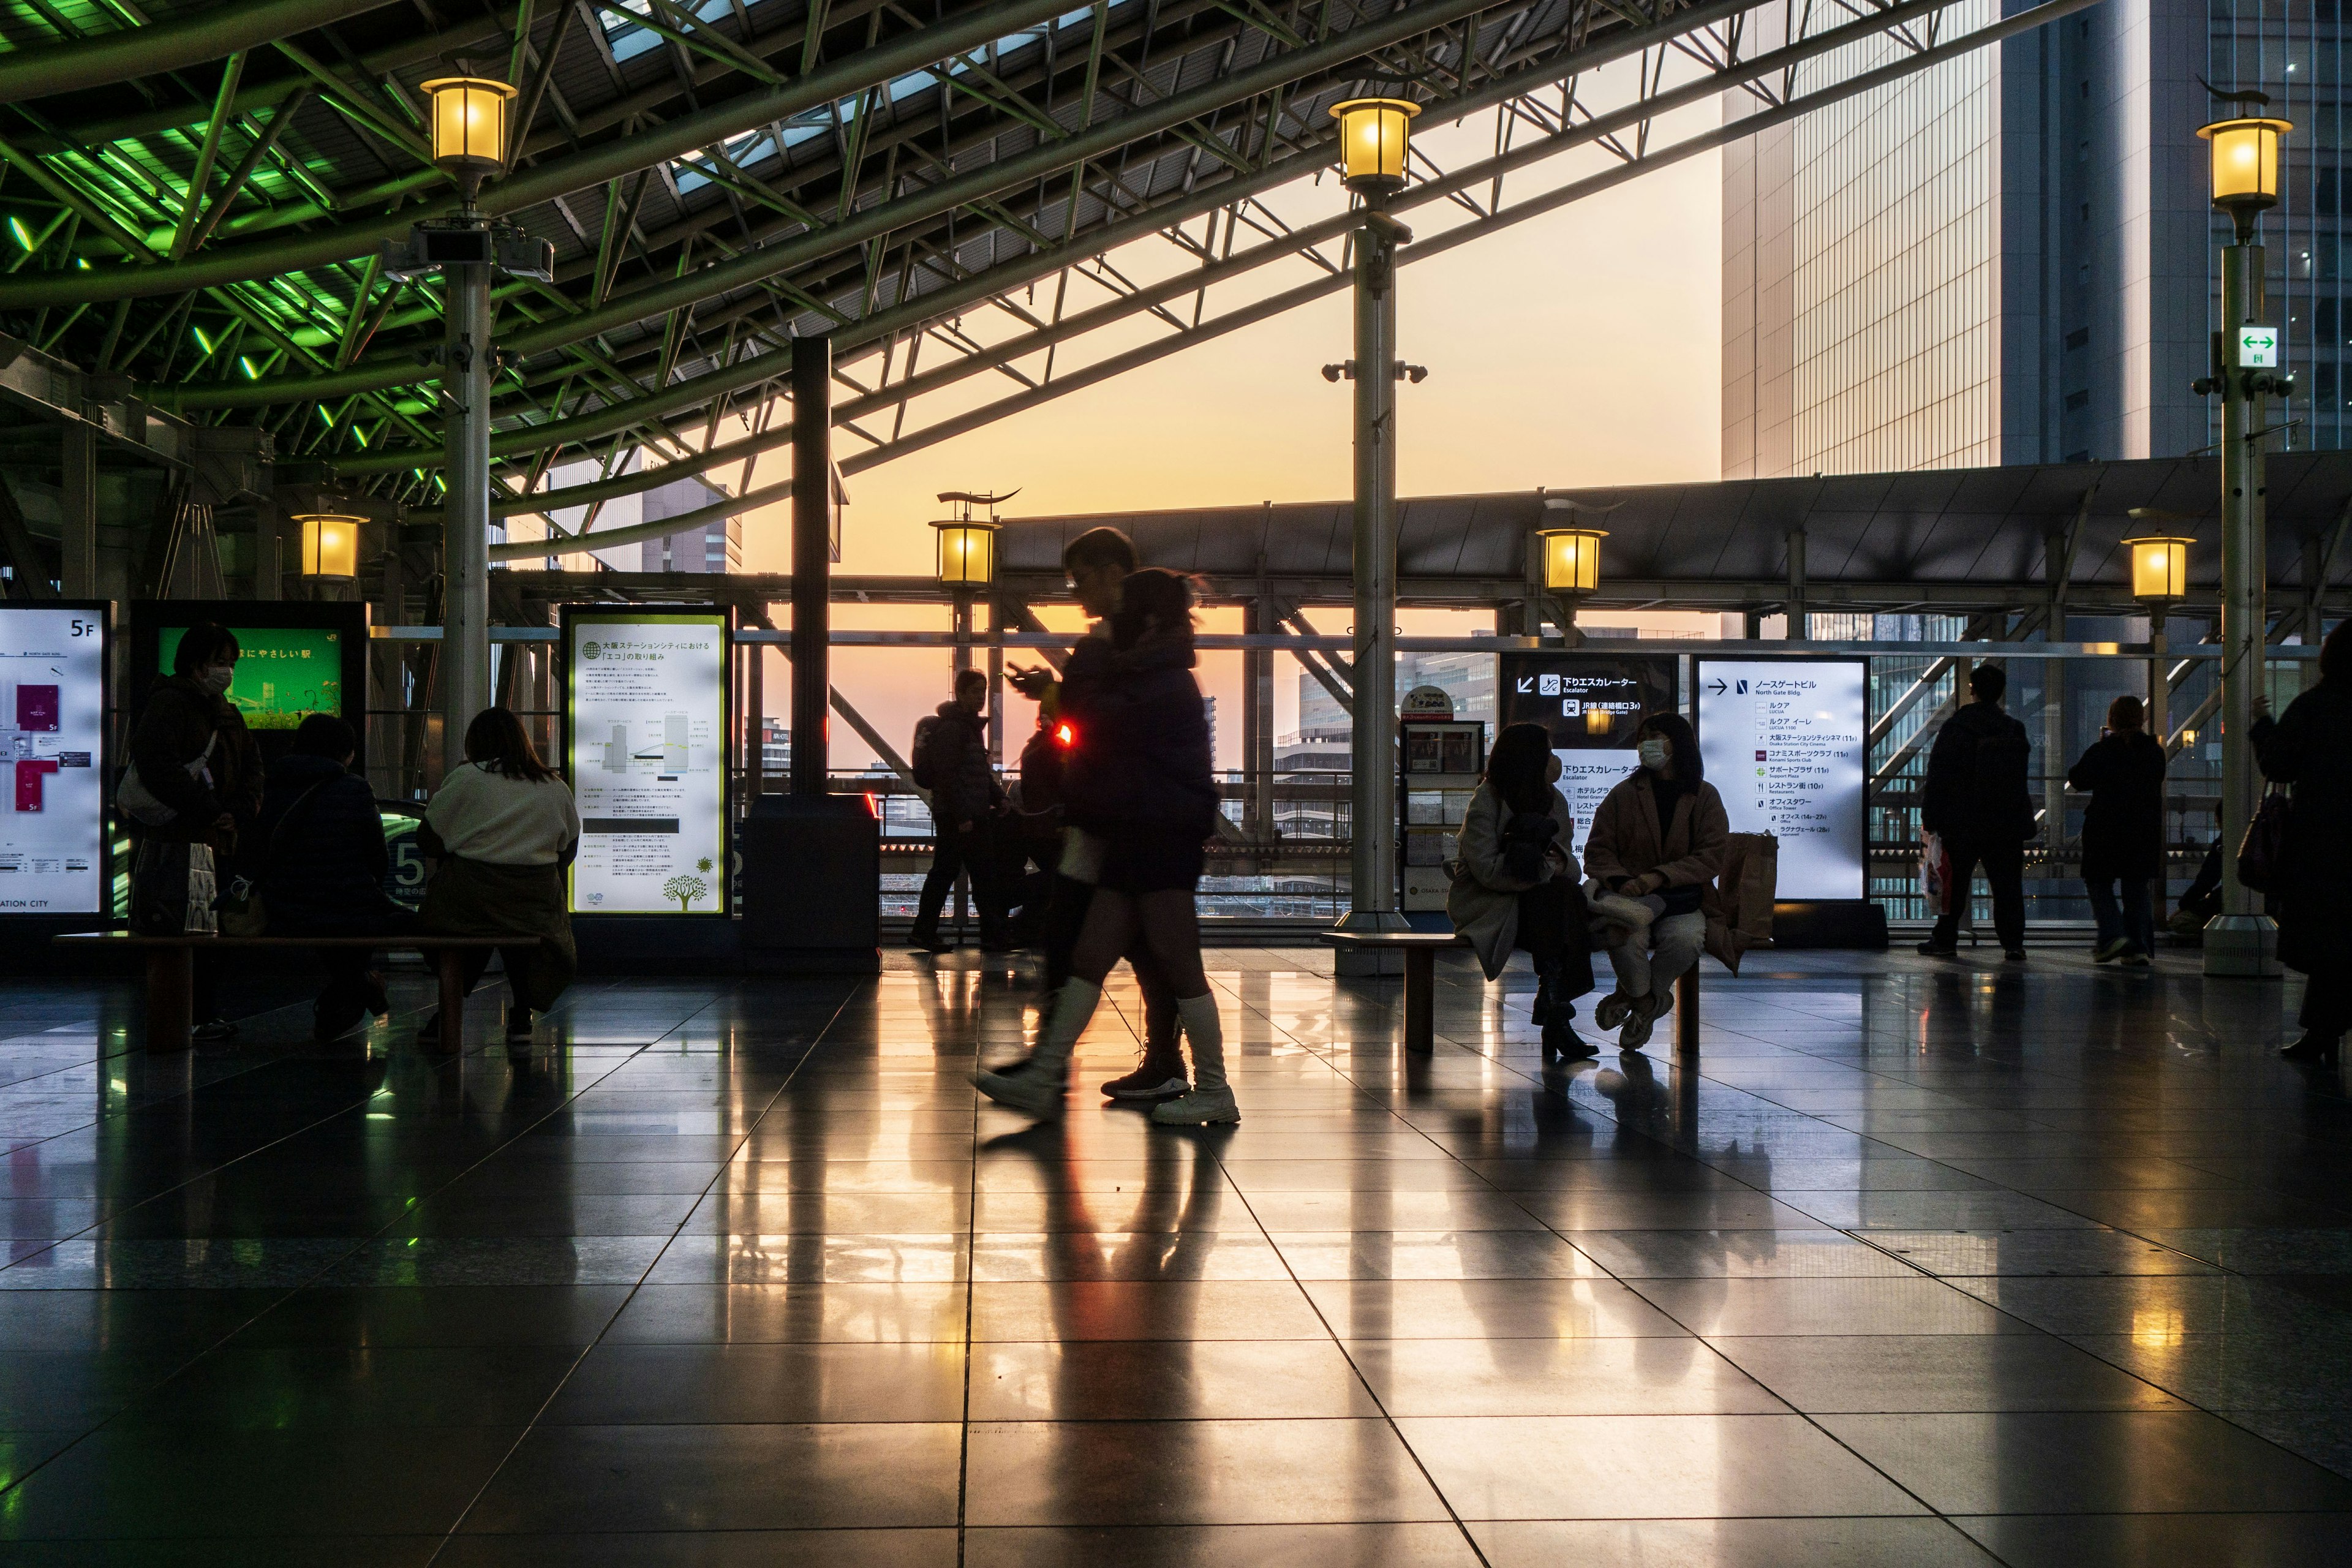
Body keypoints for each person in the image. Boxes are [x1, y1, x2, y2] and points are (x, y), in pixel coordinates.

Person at [974, 568, 1234, 1124]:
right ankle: (1045, 1075)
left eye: (1117, 618)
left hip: (1158, 836)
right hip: (1141, 831)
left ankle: (1216, 1090)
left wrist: (1080, 669)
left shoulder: (1159, 681)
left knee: (1179, 962)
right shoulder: (1156, 675)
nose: (1104, 626)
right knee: (1091, 958)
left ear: (1143, 621)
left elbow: (1099, 719)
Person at [1004, 526, 1186, 1102]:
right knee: (1117, 948)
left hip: (1117, 823)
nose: (1077, 592)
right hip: (1109, 818)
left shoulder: (1120, 646)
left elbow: (1107, 722)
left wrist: (1055, 696)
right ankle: (1147, 1062)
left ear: (1113, 573)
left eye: (1081, 579)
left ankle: (1059, 1064)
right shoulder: (1124, 646)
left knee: (1096, 945)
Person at [126, 621, 262, 1042]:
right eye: (222, 663)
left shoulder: (225, 709)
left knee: (210, 930)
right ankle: (185, 1015)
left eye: (232, 663)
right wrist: (209, 809)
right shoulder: (169, 704)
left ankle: (200, 1012)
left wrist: (235, 812)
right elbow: (157, 766)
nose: (228, 671)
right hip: (179, 844)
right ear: (197, 665)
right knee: (182, 929)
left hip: (217, 840)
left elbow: (252, 769)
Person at [417, 707, 581, 1045]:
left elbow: (429, 841)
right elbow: (567, 849)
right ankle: (521, 1015)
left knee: (473, 929)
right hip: (533, 905)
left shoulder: (466, 778)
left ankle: (446, 1014)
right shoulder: (553, 784)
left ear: (474, 742)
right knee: (515, 930)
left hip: (468, 902)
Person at [246, 714, 414, 1039]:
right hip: (348, 907)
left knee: (341, 916)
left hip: (283, 907)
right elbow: (377, 860)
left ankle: (355, 989)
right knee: (379, 917)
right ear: (346, 753)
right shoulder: (355, 789)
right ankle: (353, 991)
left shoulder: (269, 786)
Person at [1448, 722, 1596, 1058]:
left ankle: (1554, 1001)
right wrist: (1544, 871)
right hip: (1493, 903)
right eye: (1548, 752)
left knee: (1561, 896)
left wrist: (1553, 868)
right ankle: (1554, 1004)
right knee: (1558, 897)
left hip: (1541, 909)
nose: (1554, 760)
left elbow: (1568, 861)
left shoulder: (1554, 799)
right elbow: (1486, 870)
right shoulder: (1488, 799)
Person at [1582, 712, 1728, 1049]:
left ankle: (1631, 995)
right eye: (1642, 737)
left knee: (1686, 939)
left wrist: (1658, 878)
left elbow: (1711, 856)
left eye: (1656, 736)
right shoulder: (1624, 794)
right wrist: (1621, 880)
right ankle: (1650, 1004)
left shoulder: (1704, 796)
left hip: (1683, 898)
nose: (1646, 744)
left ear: (1678, 743)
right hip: (1630, 897)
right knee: (1624, 937)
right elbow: (1599, 849)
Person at [2252, 619, 2352, 1063]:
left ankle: (2323, 1033)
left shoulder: (2316, 707)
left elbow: (2279, 765)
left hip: (2324, 843)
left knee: (2331, 942)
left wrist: (2263, 726)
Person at [1918, 662, 2034, 960]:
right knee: (2007, 885)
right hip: (2005, 823)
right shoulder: (2013, 729)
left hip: (1962, 821)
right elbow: (2018, 779)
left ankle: (1945, 938)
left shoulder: (1957, 728)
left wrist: (1931, 818)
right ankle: (2013, 943)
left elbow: (1938, 776)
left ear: (1972, 690)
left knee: (1955, 884)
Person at [910, 669, 1009, 952]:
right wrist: (963, 816)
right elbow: (947, 776)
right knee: (974, 873)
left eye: (984, 691)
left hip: (964, 814)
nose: (981, 698)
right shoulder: (955, 729)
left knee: (955, 872)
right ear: (961, 693)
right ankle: (991, 935)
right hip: (962, 816)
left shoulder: (968, 728)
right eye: (976, 691)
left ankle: (926, 931)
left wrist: (999, 798)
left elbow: (976, 773)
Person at [2068, 694, 2166, 965]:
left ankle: (2113, 936)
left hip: (2105, 828)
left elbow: (2078, 778)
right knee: (2136, 887)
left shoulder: (2103, 751)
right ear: (2142, 719)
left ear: (2111, 720)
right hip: (2143, 830)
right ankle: (2137, 946)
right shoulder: (2154, 753)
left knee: (2098, 881)